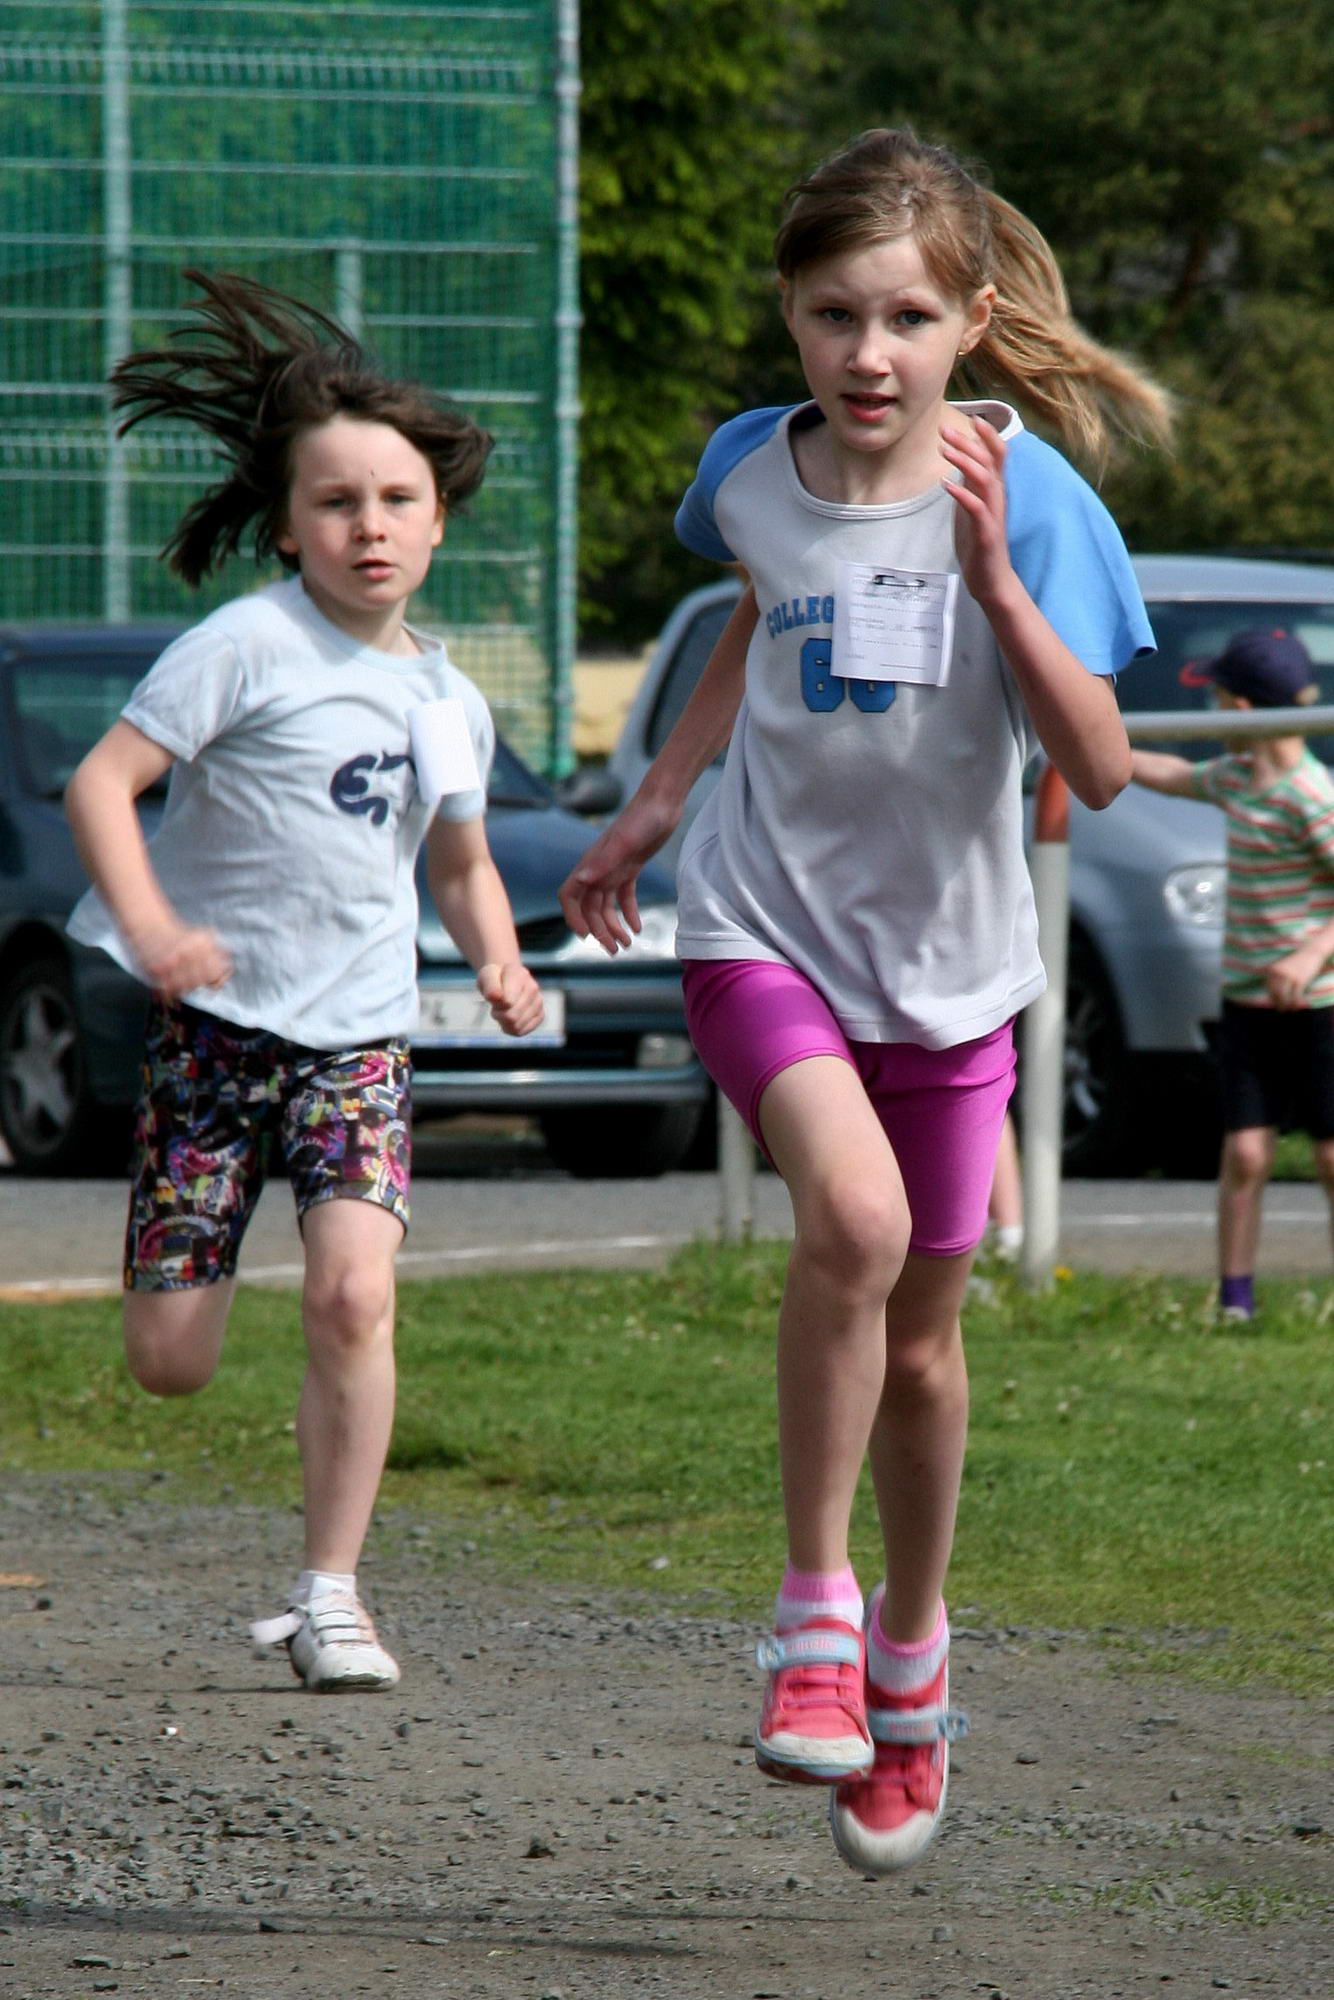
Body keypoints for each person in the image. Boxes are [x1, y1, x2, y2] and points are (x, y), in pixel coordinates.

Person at [560, 127, 1171, 1874]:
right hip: (760, 928)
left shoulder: (1027, 498)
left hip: (951, 975)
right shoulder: (744, 469)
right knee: (852, 1220)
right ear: (787, 313)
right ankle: (813, 1619)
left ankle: (911, 1649)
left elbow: (1099, 766)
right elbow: (760, 607)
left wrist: (993, 588)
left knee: (917, 1339)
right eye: (832, 314)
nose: (867, 353)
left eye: (904, 317)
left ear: (969, 322)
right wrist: (660, 795)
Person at [64, 271, 544, 1692]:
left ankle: (332, 1592)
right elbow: (101, 783)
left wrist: (500, 954)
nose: (368, 525)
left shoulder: (448, 698)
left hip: (358, 1045)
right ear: (287, 526)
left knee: (351, 1298)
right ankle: (230, 1357)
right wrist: (154, 927)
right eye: (336, 503)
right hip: (213, 1036)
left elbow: (458, 860)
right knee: (169, 1362)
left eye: (396, 500)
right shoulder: (244, 646)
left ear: (437, 520)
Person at [1129, 629, 1334, 1321]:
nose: (1211, 712)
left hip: (1320, 1007)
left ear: (1241, 710)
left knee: (1330, 1158)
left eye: (1215, 698)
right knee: (1246, 1152)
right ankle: (1234, 1299)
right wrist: (1104, 745)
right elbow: (1173, 774)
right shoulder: (1239, 780)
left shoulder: (1312, 797)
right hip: (1248, 1004)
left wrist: (1310, 955)